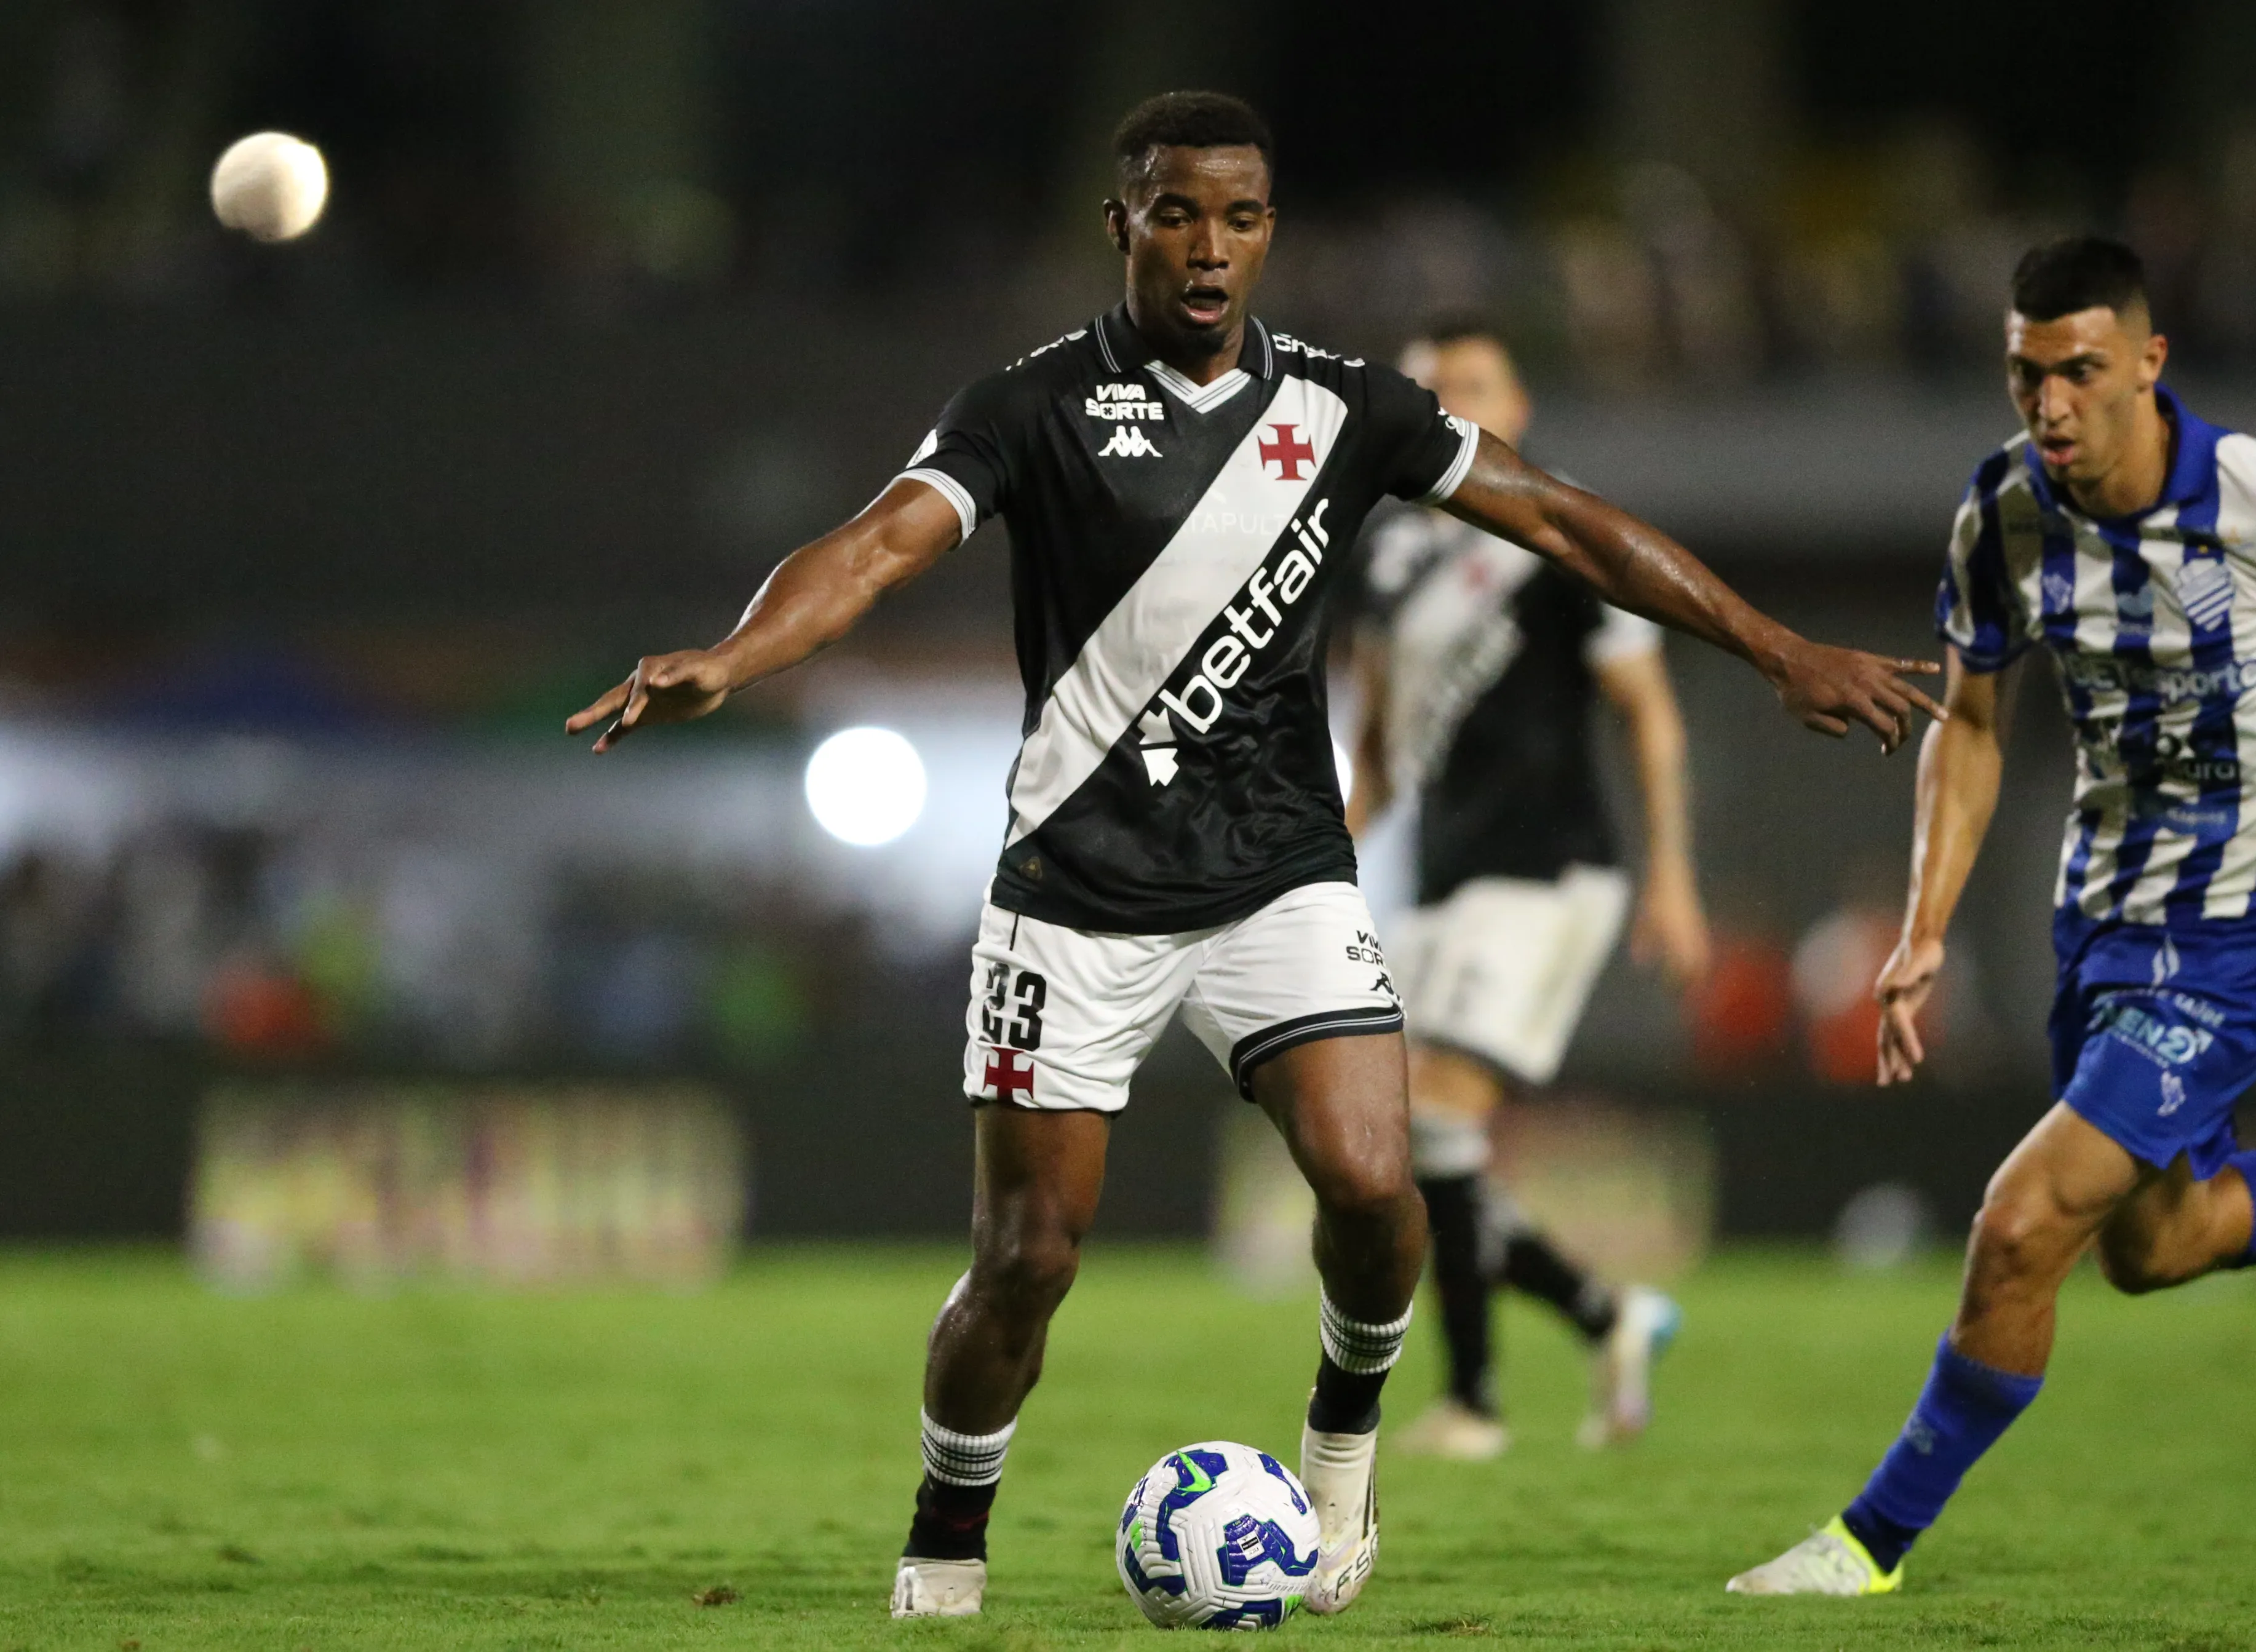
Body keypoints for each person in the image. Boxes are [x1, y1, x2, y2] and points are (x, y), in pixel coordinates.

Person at [566, 90, 1942, 1622]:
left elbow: (1565, 520)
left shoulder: (1349, 409)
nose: (1206, 246)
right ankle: (945, 1540)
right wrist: (736, 656)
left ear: (1269, 230)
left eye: (1237, 216)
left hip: (1277, 871)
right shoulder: (1029, 404)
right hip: (1074, 892)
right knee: (1026, 1257)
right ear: (1123, 224)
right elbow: (879, 541)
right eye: (1173, 212)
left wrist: (1772, 645)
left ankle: (1341, 1455)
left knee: (1374, 1185)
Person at [1728, 236, 2256, 1598]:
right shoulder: (2003, 511)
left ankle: (1866, 1542)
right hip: (2102, 924)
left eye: (2078, 370)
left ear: (2148, 363)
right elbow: (1969, 719)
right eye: (2026, 374)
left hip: (2250, 931)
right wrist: (1923, 927)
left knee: (2019, 1224)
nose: (2050, 402)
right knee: (2154, 1243)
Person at [1346, 322, 1707, 1460]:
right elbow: (1377, 750)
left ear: (1522, 404)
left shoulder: (1564, 531)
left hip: (1550, 869)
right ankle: (1606, 1313)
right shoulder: (1387, 552)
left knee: (1441, 1120)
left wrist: (1675, 876)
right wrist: (1309, 856)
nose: (1449, 400)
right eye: (1432, 386)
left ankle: (1475, 1404)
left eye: (1472, 384)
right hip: (1443, 880)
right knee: (1388, 1154)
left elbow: (1647, 708)